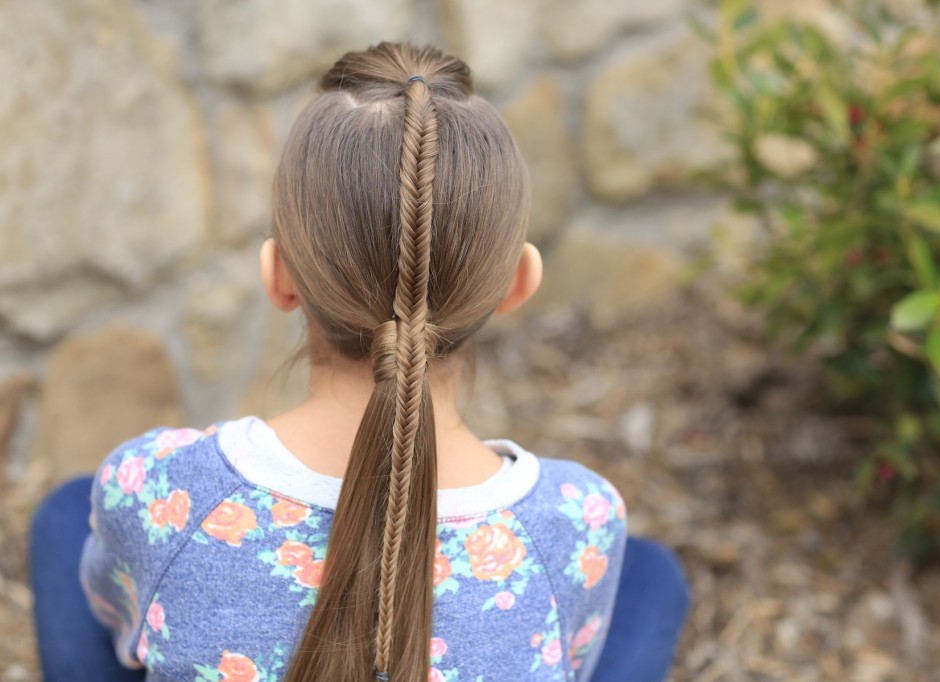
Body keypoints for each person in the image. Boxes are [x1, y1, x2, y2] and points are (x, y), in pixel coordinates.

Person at [29, 42, 689, 681]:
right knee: (651, 573)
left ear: (279, 274)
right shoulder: (578, 520)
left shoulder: (156, 486)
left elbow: (119, 628)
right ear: (519, 282)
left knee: (68, 511)